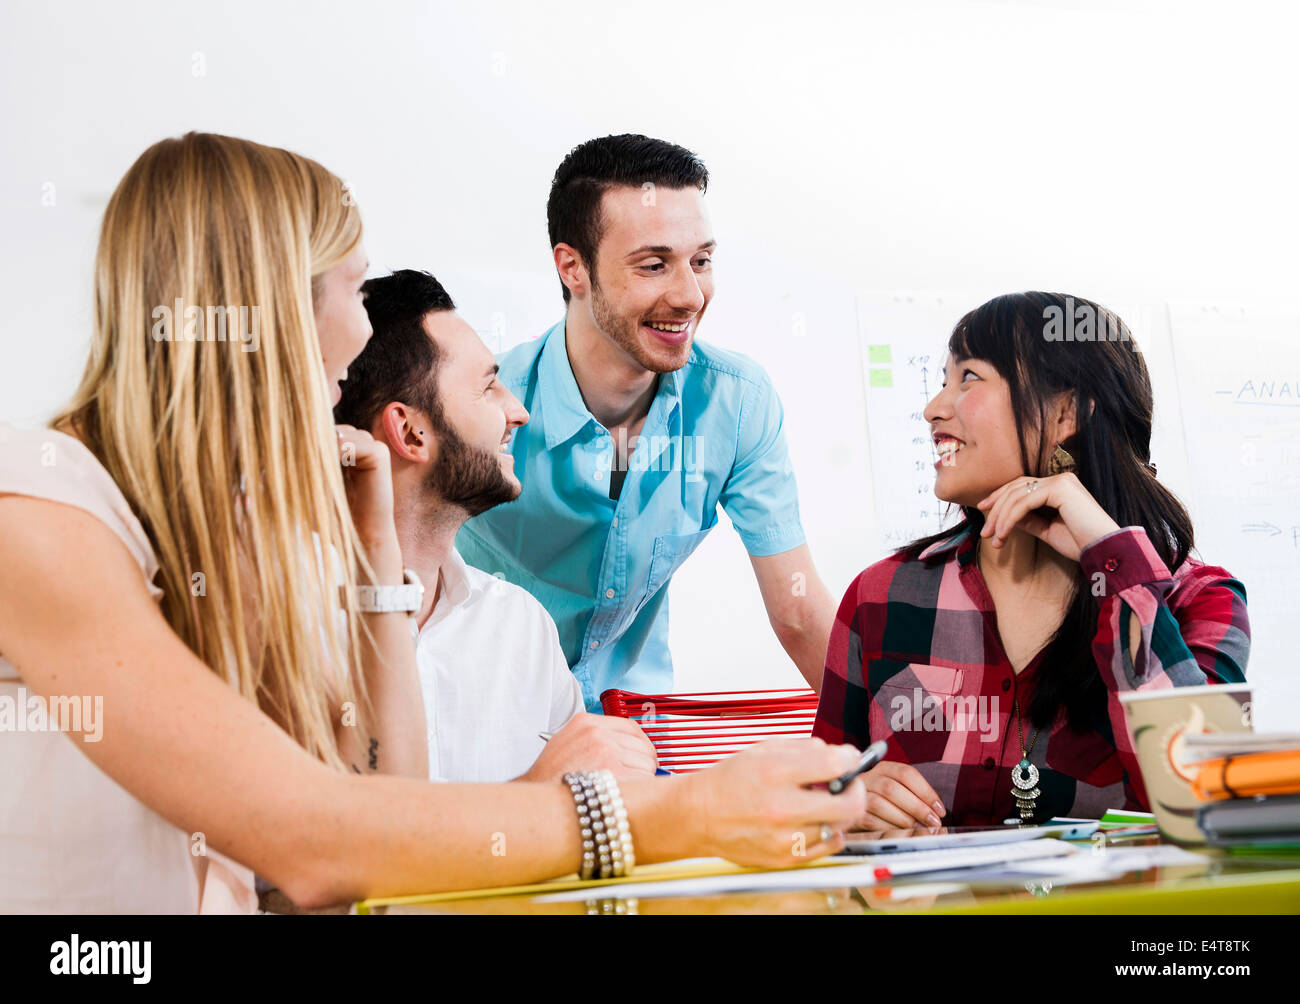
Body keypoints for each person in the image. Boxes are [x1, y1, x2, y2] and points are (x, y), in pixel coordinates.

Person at [0, 132, 868, 913]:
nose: (358, 328)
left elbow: (380, 797)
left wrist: (376, 546)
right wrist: (680, 811)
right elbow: (317, 843)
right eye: (349, 286)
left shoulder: (236, 538)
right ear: (268, 304)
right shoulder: (41, 513)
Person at [812, 292, 1250, 828]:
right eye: (942, 380)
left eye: (969, 377)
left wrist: (1113, 565)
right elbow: (816, 809)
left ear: (1065, 412)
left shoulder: (1197, 601)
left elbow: (1206, 804)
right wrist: (846, 801)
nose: (934, 409)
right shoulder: (881, 597)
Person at [457, 134, 838, 710]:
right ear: (573, 268)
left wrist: (912, 753)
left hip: (637, 731)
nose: (689, 295)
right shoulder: (479, 406)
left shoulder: (736, 403)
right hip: (488, 727)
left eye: (702, 261)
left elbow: (800, 612)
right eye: (654, 265)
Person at [335, 269, 658, 782]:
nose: (519, 412)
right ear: (410, 431)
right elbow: (350, 847)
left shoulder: (521, 629)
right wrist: (535, 793)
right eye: (488, 387)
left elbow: (591, 820)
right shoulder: (287, 629)